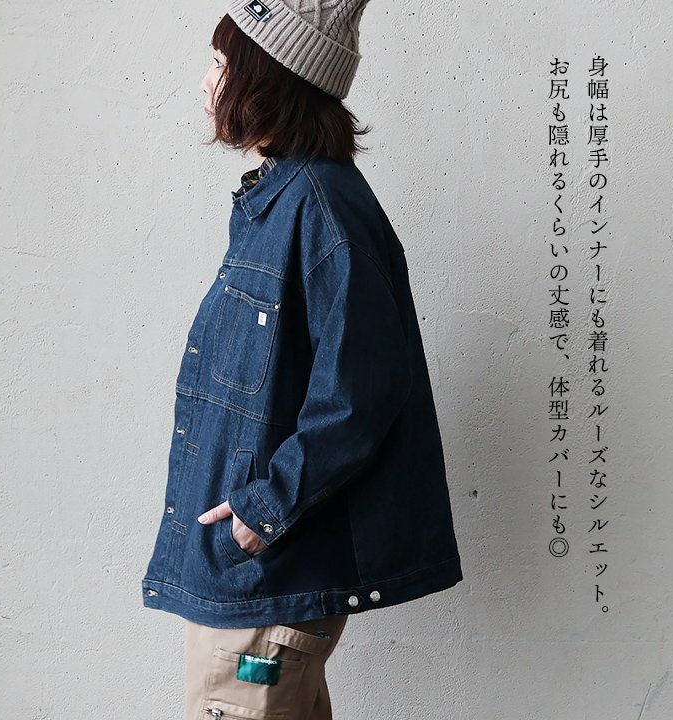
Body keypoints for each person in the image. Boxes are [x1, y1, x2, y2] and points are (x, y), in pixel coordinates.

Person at [141, 3, 463, 718]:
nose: (206, 82)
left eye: (222, 64)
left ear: (268, 79)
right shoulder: (283, 200)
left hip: (265, 585)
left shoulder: (321, 210)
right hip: (253, 580)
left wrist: (263, 509)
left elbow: (361, 392)